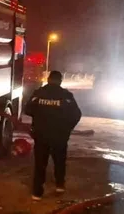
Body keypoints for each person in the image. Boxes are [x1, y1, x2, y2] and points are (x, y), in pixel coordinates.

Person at [24, 70, 82, 200]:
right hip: (60, 135)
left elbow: (27, 110)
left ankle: (37, 192)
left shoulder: (38, 93)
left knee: (40, 163)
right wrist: (68, 129)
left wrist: (39, 116)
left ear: (48, 80)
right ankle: (59, 185)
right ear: (60, 81)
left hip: (41, 135)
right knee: (59, 161)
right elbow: (77, 115)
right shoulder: (66, 96)